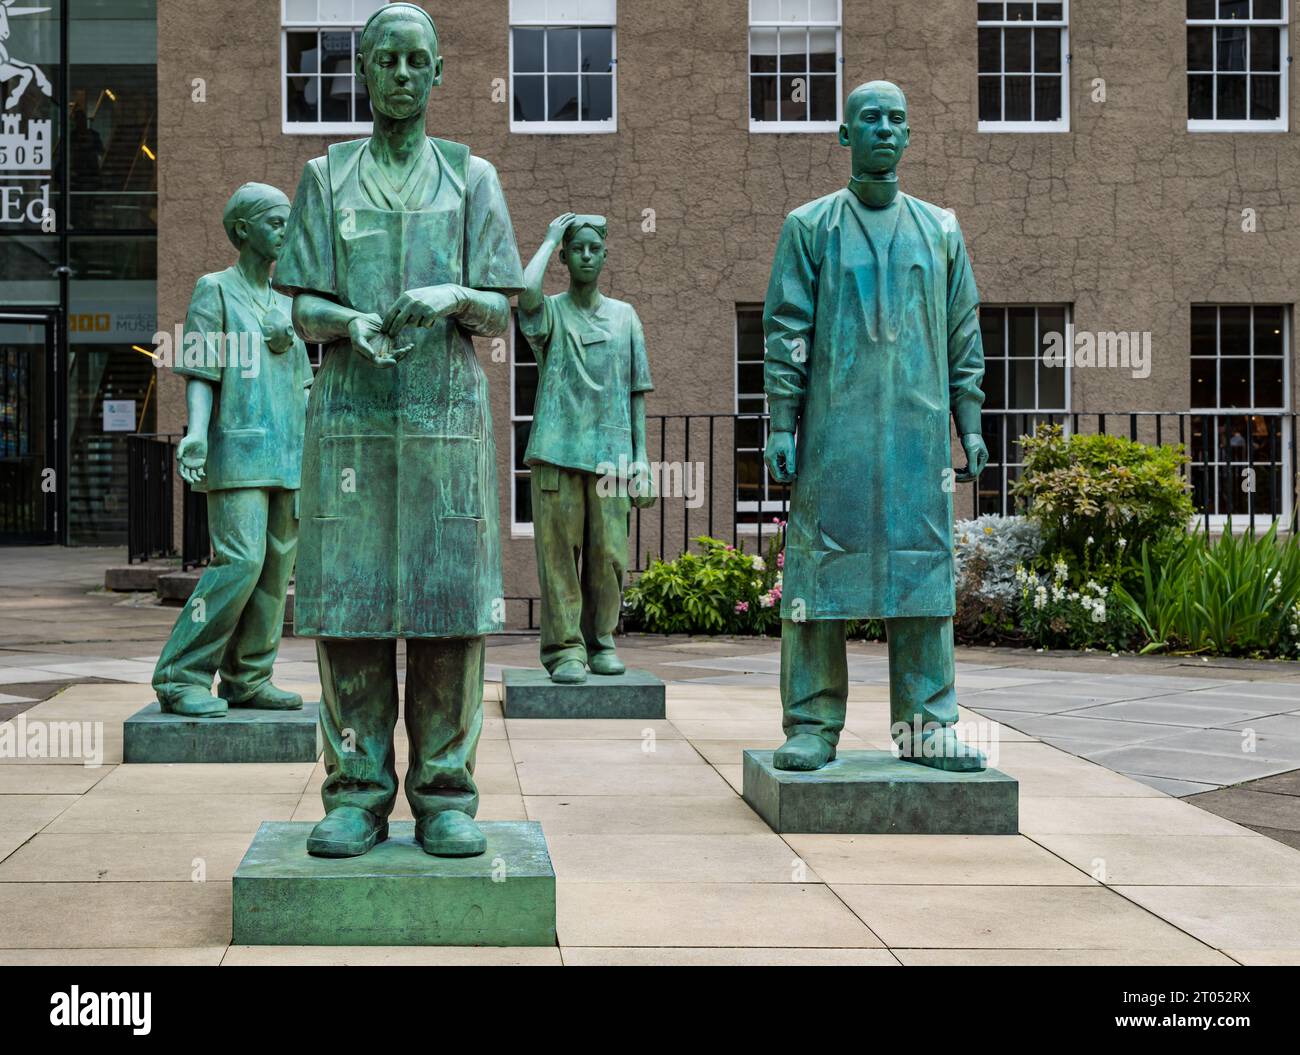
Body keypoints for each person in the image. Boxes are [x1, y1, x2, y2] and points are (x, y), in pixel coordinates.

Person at [273, 3, 523, 858]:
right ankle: (355, 792)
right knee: (350, 610)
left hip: (446, 422)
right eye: (388, 60)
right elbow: (298, 303)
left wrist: (451, 295)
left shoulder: (470, 177)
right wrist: (347, 320)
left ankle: (446, 793)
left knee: (449, 611)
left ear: (442, 71)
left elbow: (502, 305)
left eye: (419, 61)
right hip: (349, 422)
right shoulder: (326, 176)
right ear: (365, 69)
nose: (404, 75)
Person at [762, 81, 989, 773]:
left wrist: (969, 422)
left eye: (897, 117)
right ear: (845, 135)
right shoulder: (810, 227)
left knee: (923, 578)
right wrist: (781, 424)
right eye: (870, 118)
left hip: (918, 444)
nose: (884, 128)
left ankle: (928, 726)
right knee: (818, 582)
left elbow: (963, 333)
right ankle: (810, 722)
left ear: (910, 135)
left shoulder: (940, 229)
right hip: (836, 439)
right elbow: (785, 331)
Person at [152, 182, 312, 718]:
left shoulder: (290, 306)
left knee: (274, 571)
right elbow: (200, 369)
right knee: (240, 563)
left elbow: (306, 386)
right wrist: (196, 433)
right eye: (275, 222)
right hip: (237, 455)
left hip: (288, 456)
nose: (285, 232)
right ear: (242, 229)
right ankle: (181, 674)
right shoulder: (213, 290)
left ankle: (249, 676)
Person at [518, 213, 654, 684]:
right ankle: (564, 650)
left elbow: (637, 392)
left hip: (613, 456)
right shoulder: (551, 312)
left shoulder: (625, 316)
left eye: (595, 248)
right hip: (557, 452)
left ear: (606, 255)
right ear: (564, 257)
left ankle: (602, 641)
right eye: (577, 248)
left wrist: (642, 460)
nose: (587, 256)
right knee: (558, 558)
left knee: (610, 556)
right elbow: (526, 293)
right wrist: (551, 234)